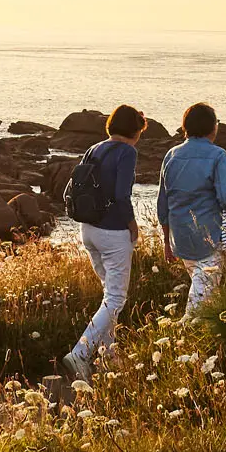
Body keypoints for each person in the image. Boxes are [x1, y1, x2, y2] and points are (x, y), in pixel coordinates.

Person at [62, 104, 145, 380]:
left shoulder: (94, 148)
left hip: (89, 230)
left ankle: (109, 356)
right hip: (112, 232)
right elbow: (122, 194)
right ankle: (81, 353)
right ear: (135, 130)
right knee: (116, 298)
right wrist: (132, 223)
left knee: (108, 295)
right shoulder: (127, 152)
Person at [158, 102, 226, 316]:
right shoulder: (218, 155)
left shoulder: (171, 155)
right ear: (212, 127)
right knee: (201, 301)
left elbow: (162, 204)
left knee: (202, 289)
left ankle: (202, 340)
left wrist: (167, 243)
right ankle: (184, 338)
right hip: (208, 236)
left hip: (180, 237)